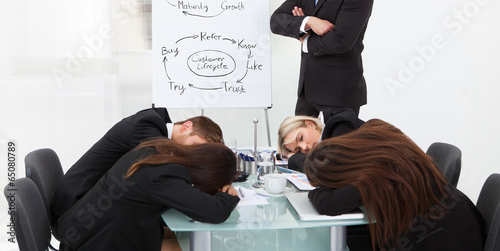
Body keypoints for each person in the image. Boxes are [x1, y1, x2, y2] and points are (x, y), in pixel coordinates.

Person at [303, 119, 486, 251]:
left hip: (449, 241)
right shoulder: (379, 146)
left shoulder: (375, 177)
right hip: (459, 226)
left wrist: (315, 192)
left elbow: (328, 204)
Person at [55, 139, 240, 251]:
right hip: (97, 245)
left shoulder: (155, 149)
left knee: (184, 239)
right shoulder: (165, 175)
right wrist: (229, 195)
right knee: (197, 247)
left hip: (84, 234)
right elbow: (214, 212)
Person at [270, 0, 374, 117]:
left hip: (340, 91)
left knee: (337, 148)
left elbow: (341, 40)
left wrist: (305, 40)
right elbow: (276, 21)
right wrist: (309, 21)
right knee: (296, 146)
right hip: (307, 90)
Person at [51, 107, 223, 223]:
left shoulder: (157, 129)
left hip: (96, 205)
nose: (194, 154)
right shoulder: (146, 127)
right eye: (195, 146)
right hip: (77, 210)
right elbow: (169, 172)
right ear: (186, 127)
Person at [277, 107, 363, 171]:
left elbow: (329, 170)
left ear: (310, 124)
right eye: (298, 150)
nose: (304, 147)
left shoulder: (339, 124)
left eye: (301, 138)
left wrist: (294, 157)